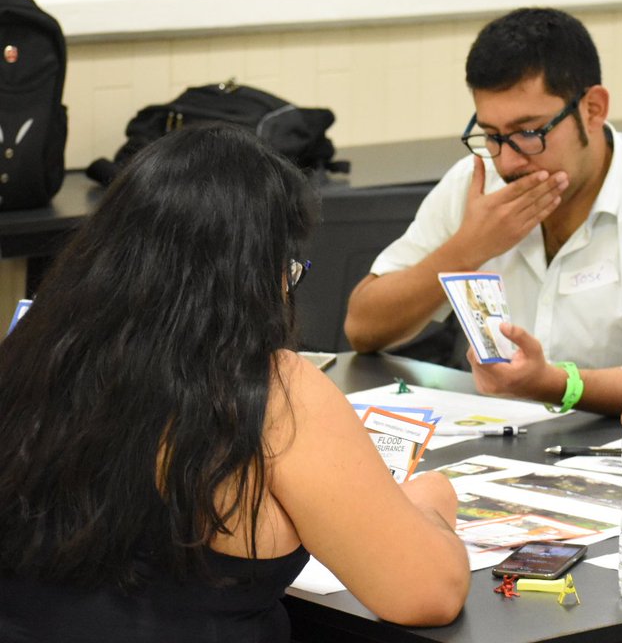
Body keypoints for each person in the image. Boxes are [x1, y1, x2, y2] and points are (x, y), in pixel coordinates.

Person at [0, 126, 469, 642]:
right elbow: (427, 593)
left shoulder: (28, 359)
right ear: (251, 275)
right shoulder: (268, 393)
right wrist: (430, 503)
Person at [345, 7, 622, 416]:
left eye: (529, 133)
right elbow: (363, 328)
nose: (509, 163)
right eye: (492, 135)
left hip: (621, 445)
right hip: (496, 439)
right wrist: (465, 249)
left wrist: (555, 384)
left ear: (593, 109)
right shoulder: (477, 183)